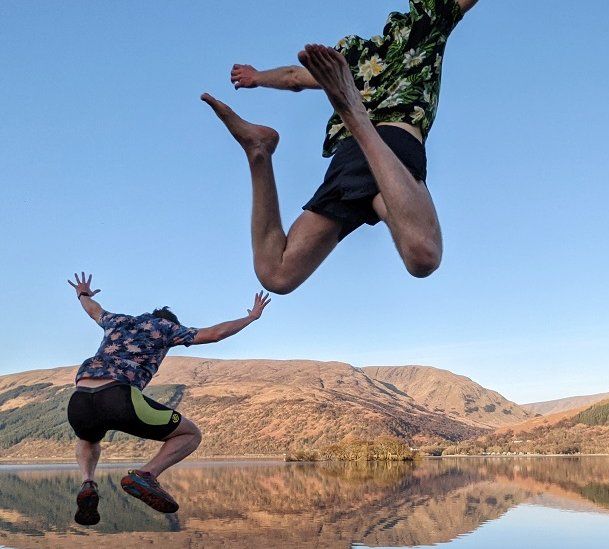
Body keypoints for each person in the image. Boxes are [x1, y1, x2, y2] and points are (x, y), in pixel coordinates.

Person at [201, 0, 479, 294]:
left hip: (350, 157)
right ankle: (356, 116)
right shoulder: (425, 24)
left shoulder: (353, 57)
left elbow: (294, 77)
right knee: (424, 256)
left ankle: (259, 150)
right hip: (393, 144)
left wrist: (256, 77)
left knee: (276, 274)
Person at [65, 272, 270, 525]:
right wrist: (251, 317)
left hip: (79, 399)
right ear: (170, 322)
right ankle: (146, 475)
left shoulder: (117, 320)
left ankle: (88, 481)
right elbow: (214, 333)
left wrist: (82, 293)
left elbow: (92, 309)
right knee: (190, 434)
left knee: (88, 437)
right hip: (117, 394)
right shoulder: (165, 327)